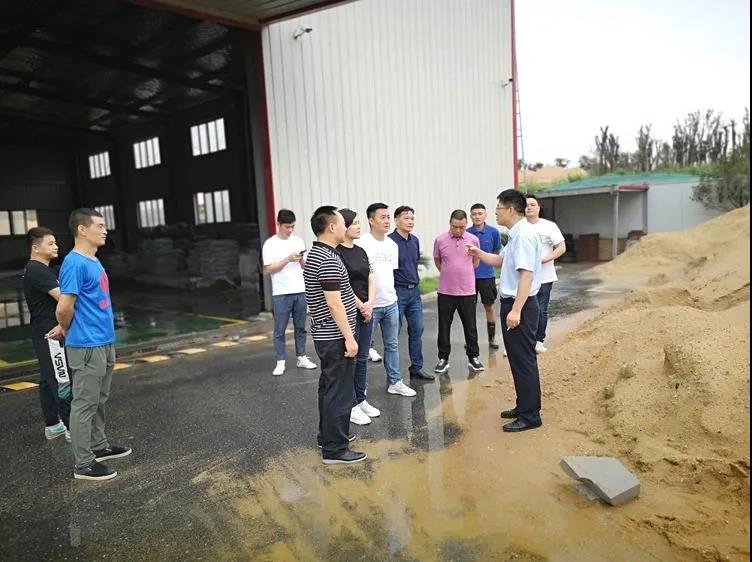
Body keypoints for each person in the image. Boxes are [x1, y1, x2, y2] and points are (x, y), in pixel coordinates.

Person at [56, 208, 131, 480]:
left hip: (103, 341)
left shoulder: (93, 260)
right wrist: (67, 329)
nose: (105, 230)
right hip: (87, 345)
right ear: (82, 229)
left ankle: (99, 447)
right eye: (99, 225)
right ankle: (84, 464)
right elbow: (64, 307)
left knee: (99, 398)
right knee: (84, 403)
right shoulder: (74, 263)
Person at [467, 190, 543, 432]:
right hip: (515, 303)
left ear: (511, 209)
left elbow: (526, 275)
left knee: (524, 361)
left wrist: (517, 310)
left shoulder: (524, 236)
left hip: (520, 305)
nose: (496, 213)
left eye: (498, 208)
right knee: (519, 360)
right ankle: (524, 406)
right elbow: (501, 261)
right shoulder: (515, 234)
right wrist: (479, 253)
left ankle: (530, 416)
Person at [304, 206, 367, 464]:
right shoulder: (328, 259)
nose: (346, 227)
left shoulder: (319, 253)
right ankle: (335, 450)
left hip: (327, 334)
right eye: (342, 223)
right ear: (331, 227)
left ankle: (328, 436)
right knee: (339, 392)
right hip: (334, 336)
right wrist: (350, 338)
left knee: (329, 388)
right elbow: (334, 304)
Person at [356, 203, 416, 397]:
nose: (387, 220)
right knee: (363, 350)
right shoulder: (361, 244)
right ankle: (360, 389)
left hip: (391, 303)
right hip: (370, 306)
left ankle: (395, 382)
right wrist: (365, 303)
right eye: (382, 217)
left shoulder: (392, 245)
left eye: (388, 217)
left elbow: (390, 273)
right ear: (371, 221)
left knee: (392, 345)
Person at [22, 227, 72, 443]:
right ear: (36, 248)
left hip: (43, 331)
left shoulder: (41, 269)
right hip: (51, 333)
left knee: (47, 378)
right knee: (62, 379)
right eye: (50, 243)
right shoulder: (37, 270)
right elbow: (64, 299)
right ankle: (72, 427)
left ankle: (53, 424)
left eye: (55, 242)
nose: (56, 246)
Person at [336, 209, 382, 426]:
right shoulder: (337, 253)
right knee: (351, 360)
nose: (358, 226)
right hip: (350, 310)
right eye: (354, 223)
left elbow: (371, 276)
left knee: (363, 357)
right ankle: (351, 404)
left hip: (366, 309)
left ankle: (361, 399)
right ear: (343, 226)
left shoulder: (361, 250)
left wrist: (370, 302)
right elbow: (343, 285)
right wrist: (361, 305)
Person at [262, 209, 318, 376]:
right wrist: (287, 259)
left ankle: (301, 357)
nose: (290, 230)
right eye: (287, 227)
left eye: (293, 226)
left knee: (301, 327)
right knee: (280, 329)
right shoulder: (270, 244)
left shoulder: (298, 241)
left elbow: (305, 266)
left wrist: (301, 260)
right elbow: (268, 269)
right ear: (278, 224)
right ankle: (281, 361)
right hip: (281, 293)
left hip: (300, 290)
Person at [432, 210, 484, 374]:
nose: (458, 230)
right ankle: (443, 358)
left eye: (462, 227)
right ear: (450, 223)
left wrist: (463, 273)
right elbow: (438, 261)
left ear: (466, 224)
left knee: (470, 326)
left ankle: (473, 357)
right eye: (455, 227)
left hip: (467, 291)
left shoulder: (473, 239)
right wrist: (449, 272)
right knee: (444, 326)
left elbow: (476, 262)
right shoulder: (440, 240)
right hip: (446, 291)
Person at [389, 206, 434, 381]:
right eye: (406, 218)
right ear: (396, 220)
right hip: (398, 292)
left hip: (414, 293)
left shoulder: (414, 240)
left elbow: (413, 264)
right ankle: (393, 376)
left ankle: (417, 368)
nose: (410, 222)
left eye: (412, 218)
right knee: (393, 334)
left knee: (417, 330)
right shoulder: (389, 242)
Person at [525, 194, 566, 354]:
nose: (529, 207)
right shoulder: (520, 227)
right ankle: (524, 341)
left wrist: (545, 259)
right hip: (524, 277)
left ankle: (538, 341)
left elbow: (561, 247)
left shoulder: (549, 226)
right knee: (523, 310)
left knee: (541, 310)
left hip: (544, 277)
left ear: (539, 207)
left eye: (532, 204)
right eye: (526, 205)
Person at [467, 203, 503, 350]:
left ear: (485, 215)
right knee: (469, 309)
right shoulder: (466, 233)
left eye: (480, 213)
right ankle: (471, 340)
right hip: (469, 277)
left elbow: (496, 252)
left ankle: (491, 339)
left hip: (487, 276)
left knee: (489, 306)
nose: (477, 216)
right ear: (470, 216)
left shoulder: (494, 232)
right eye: (474, 214)